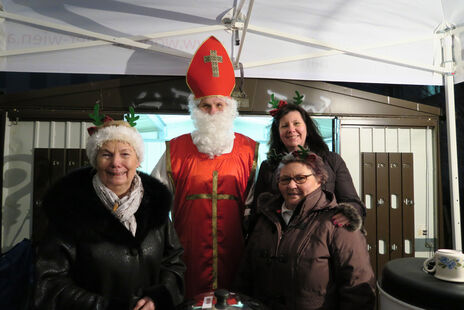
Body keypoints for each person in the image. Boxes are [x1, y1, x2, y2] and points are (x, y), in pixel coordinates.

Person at [34, 112, 185, 310]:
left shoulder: (154, 206)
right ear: (95, 160)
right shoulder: (69, 210)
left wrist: (156, 298)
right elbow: (50, 282)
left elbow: (174, 263)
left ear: (137, 160)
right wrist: (109, 306)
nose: (116, 163)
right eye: (106, 154)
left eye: (125, 154)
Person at [151, 36, 259, 299]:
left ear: (229, 108)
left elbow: (254, 209)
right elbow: (153, 204)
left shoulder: (249, 151)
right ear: (196, 109)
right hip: (186, 255)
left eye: (219, 105)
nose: (212, 111)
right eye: (205, 105)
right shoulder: (174, 150)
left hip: (235, 255)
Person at [234, 151, 376, 310]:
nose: (291, 185)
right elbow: (245, 276)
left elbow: (358, 288)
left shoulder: (337, 222)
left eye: (300, 178)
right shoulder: (266, 218)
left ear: (319, 179)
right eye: (285, 179)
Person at [250, 96, 365, 230]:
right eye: (284, 125)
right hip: (282, 238)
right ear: (278, 133)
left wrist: (348, 214)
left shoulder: (332, 161)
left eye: (296, 123)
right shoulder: (268, 166)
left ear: (307, 128)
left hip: (322, 235)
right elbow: (257, 211)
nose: (291, 129)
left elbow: (353, 201)